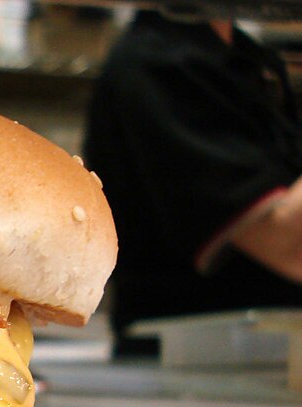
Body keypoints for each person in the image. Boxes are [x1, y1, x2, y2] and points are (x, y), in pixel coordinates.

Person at [83, 9, 302, 355]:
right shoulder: (163, 61)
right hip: (188, 360)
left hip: (254, 353)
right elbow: (290, 244)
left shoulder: (240, 56)